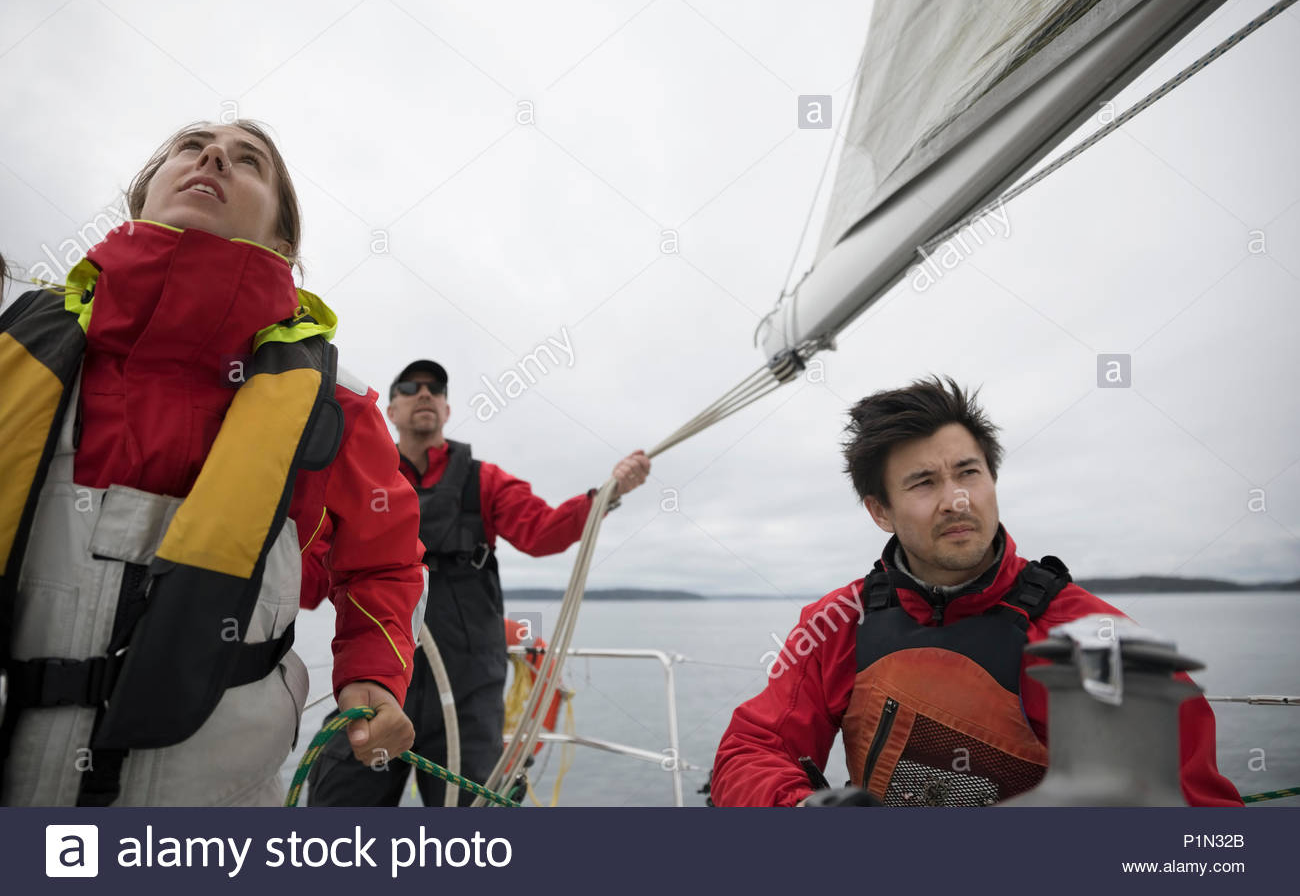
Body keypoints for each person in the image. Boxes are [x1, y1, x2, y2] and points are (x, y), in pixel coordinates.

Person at [0, 121, 426, 805]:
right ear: (143, 200)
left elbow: (383, 562)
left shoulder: (333, 408)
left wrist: (373, 676)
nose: (213, 155)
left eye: (249, 161)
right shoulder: (19, 351)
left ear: (282, 241)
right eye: (187, 146)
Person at [711, 375, 1241, 807]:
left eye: (969, 472)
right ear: (880, 511)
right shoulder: (838, 624)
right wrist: (803, 811)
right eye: (924, 483)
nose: (957, 500)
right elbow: (752, 750)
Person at [306, 360, 651, 805]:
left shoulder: (483, 480)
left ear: (447, 409)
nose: (425, 394)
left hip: (469, 692)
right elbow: (311, 573)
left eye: (436, 389)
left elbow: (541, 531)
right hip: (378, 681)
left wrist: (608, 492)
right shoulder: (358, 477)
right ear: (390, 410)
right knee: (337, 806)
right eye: (410, 387)